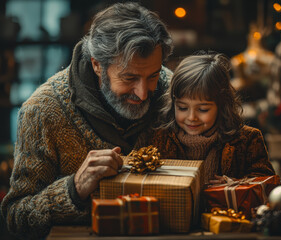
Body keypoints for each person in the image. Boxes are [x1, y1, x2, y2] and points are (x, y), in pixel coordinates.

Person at [1, 2, 173, 239]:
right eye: (129, 78)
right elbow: (16, 218)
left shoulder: (173, 93)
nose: (143, 93)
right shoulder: (41, 111)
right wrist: (74, 189)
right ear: (97, 65)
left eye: (153, 76)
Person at [136, 52, 275, 184]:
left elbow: (267, 184)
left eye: (203, 109)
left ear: (222, 106)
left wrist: (236, 184)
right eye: (182, 108)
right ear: (173, 104)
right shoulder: (155, 139)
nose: (191, 117)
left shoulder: (247, 140)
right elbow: (134, 173)